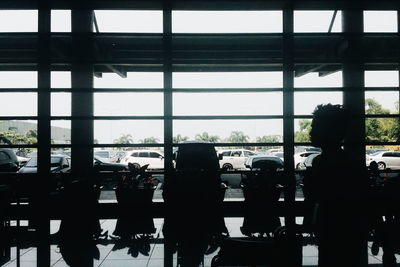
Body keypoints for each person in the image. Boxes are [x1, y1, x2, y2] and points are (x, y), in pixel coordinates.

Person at [308, 104, 368, 267]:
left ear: (329, 130)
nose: (311, 132)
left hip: (335, 230)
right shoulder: (349, 162)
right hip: (345, 230)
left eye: (315, 126)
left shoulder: (320, 162)